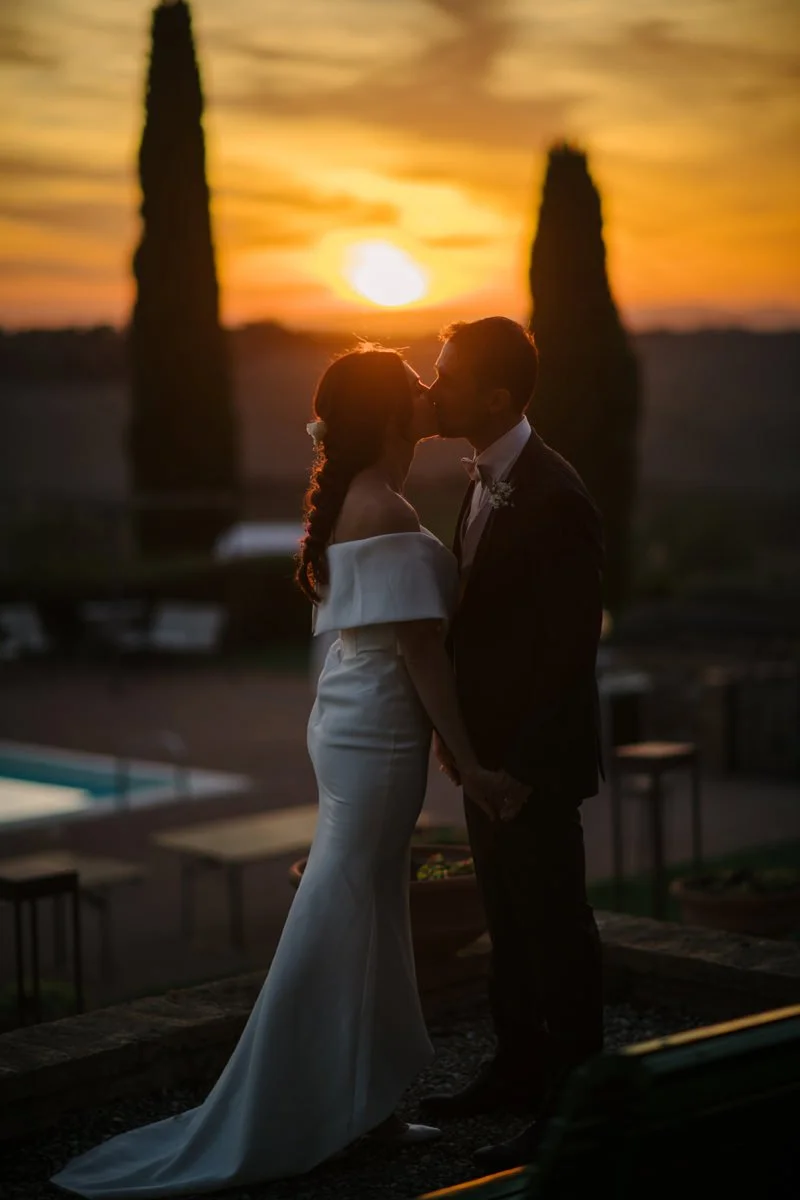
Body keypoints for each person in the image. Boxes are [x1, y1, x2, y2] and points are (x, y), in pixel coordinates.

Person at [51, 346, 505, 1198]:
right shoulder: (388, 510)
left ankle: (362, 1103)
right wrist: (471, 762)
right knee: (345, 911)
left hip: (353, 721)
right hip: (376, 734)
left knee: (367, 909)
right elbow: (421, 646)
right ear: (390, 417)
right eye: (414, 387)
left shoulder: (362, 503)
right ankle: (300, 1105)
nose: (427, 393)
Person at [419, 317, 605, 1172]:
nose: (433, 384)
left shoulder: (558, 497)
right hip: (486, 762)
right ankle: (515, 1068)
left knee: (556, 930)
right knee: (506, 922)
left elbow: (568, 654)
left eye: (448, 374)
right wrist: (461, 746)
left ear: (495, 395)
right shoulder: (483, 479)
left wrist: (520, 773)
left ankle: (574, 1109)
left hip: (531, 767)